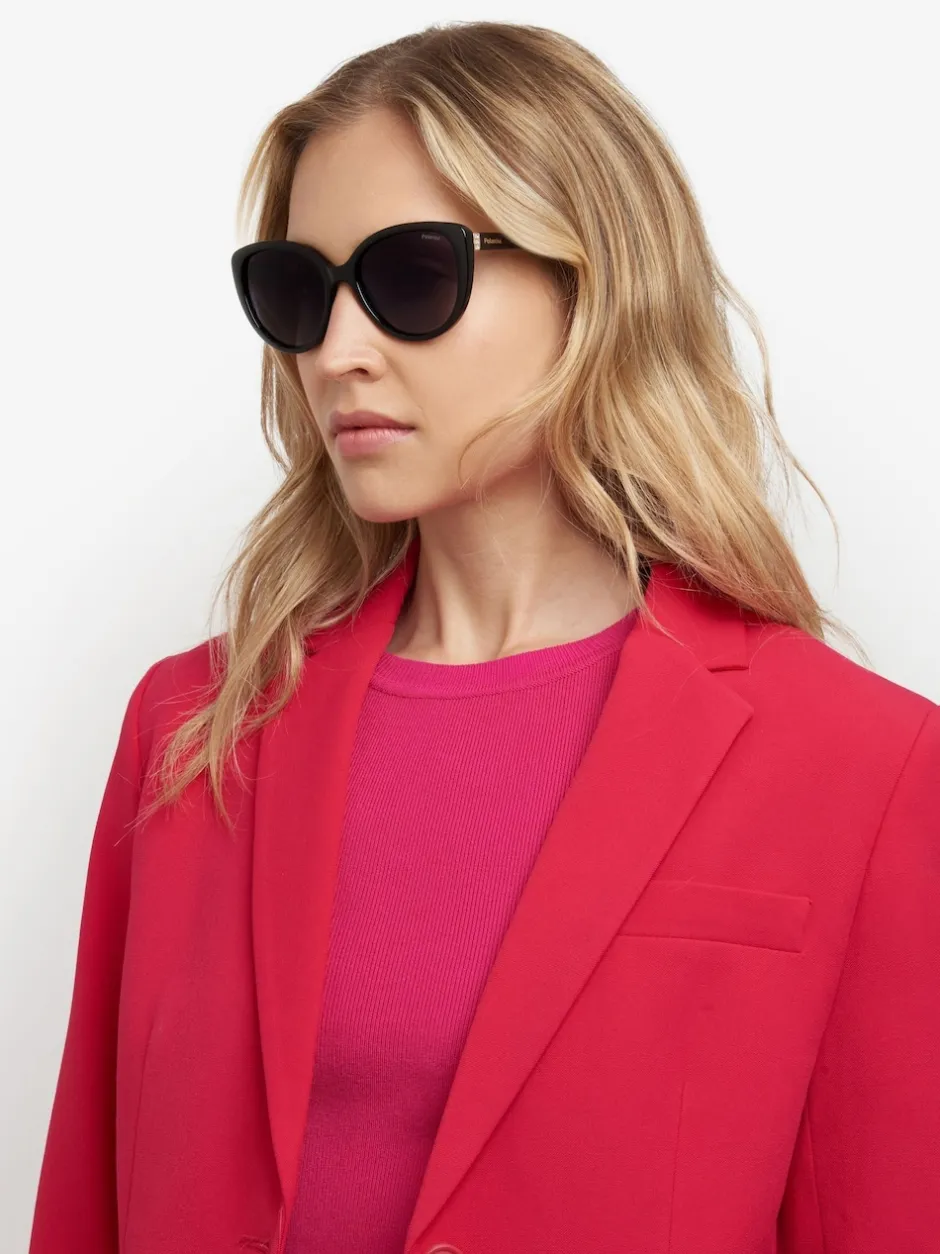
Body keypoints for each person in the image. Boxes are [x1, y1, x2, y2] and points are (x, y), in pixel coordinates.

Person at [29, 19, 939, 1254]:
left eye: (410, 277)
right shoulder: (193, 731)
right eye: (298, 292)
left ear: (594, 284)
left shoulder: (862, 764)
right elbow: (86, 1208)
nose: (337, 353)